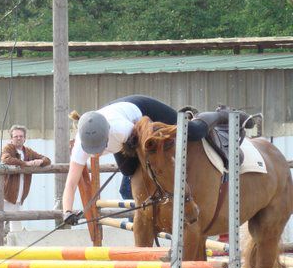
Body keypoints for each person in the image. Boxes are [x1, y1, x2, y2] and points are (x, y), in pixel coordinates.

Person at [62, 94, 249, 223]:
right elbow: (71, 183)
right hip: (119, 120)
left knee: (194, 132)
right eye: (92, 150)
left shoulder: (122, 129)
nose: (96, 153)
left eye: (100, 147)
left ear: (108, 134)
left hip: (142, 110)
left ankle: (223, 115)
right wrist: (67, 212)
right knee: (127, 170)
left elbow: (150, 157)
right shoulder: (80, 146)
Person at [0, 125, 51, 231]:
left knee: (16, 219)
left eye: (21, 136)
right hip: (7, 192)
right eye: (16, 136)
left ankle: (16, 240)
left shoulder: (28, 151)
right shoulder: (8, 148)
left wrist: (41, 161)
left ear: (25, 138)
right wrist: (26, 163)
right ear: (11, 138)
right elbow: (6, 159)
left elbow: (47, 160)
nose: (19, 138)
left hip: (20, 192)